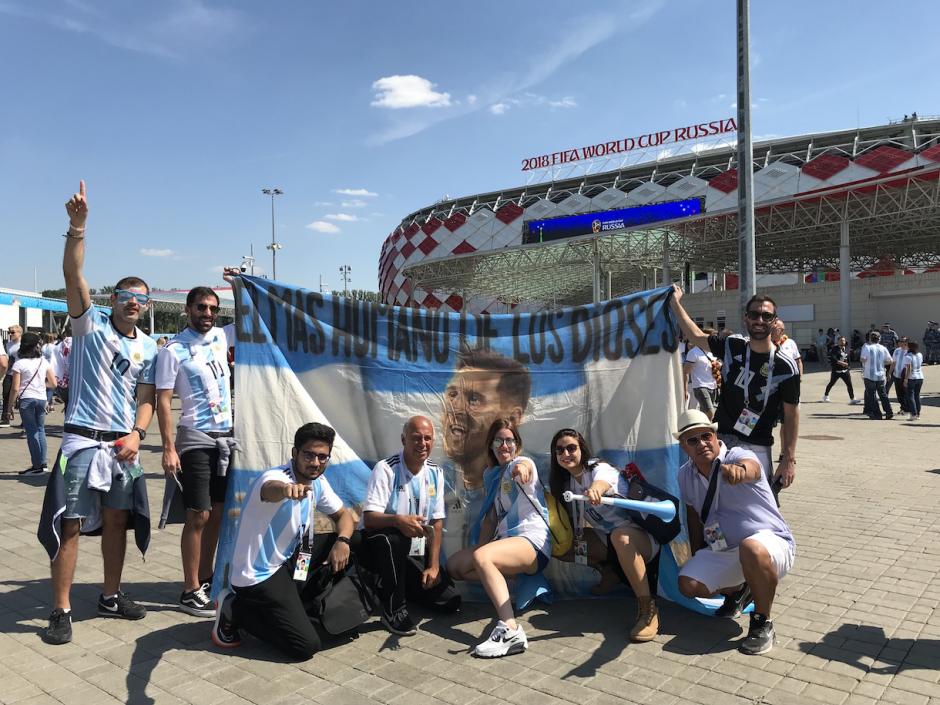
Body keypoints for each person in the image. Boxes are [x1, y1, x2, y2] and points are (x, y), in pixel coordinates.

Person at [37, 181, 158, 646]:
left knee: (117, 522)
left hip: (122, 444)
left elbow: (147, 397)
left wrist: (137, 433)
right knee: (69, 523)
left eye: (140, 296)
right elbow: (73, 275)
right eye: (126, 293)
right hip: (82, 440)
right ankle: (61, 608)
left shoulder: (149, 347)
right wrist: (78, 227)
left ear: (147, 306)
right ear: (113, 298)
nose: (133, 300)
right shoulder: (88, 325)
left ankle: (110, 595)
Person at [212, 423, 356, 658]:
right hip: (259, 575)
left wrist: (343, 541)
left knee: (354, 539)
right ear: (294, 453)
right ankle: (235, 609)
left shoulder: (318, 481)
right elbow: (270, 489)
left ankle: (298, 601)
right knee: (306, 647)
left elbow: (344, 517)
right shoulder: (274, 478)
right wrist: (286, 490)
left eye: (322, 457)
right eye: (309, 454)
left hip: (294, 557)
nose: (316, 462)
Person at [674, 409, 795, 656]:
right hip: (725, 547)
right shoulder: (684, 475)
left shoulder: (738, 455)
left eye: (705, 435)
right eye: (692, 440)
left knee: (751, 548)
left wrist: (739, 471)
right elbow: (694, 518)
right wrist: (698, 554)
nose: (701, 444)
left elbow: (751, 468)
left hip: (769, 543)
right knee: (688, 584)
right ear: (683, 446)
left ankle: (763, 623)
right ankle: (741, 588)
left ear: (715, 434)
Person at [669, 286, 800, 494]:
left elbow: (791, 416)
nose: (759, 320)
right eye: (754, 315)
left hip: (757, 445)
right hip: (723, 440)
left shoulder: (785, 367)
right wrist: (675, 303)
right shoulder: (733, 345)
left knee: (761, 506)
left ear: (774, 321)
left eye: (766, 316)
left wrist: (788, 459)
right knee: (714, 500)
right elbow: (696, 336)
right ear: (746, 318)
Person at [156, 284, 237, 617]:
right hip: (195, 436)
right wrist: (168, 447)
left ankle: (207, 579)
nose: (207, 314)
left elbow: (251, 317)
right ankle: (189, 590)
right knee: (198, 514)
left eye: (213, 309)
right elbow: (162, 399)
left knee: (218, 513)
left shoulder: (220, 336)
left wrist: (239, 286)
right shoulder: (172, 350)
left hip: (226, 437)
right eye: (201, 307)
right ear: (187, 310)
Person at [447, 419, 551, 658]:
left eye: (509, 440)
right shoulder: (492, 476)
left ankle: (511, 629)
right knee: (455, 567)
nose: (504, 445)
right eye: (498, 440)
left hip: (533, 542)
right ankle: (508, 577)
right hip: (508, 544)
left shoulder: (522, 463)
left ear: (517, 444)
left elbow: (524, 469)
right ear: (491, 446)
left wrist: (520, 470)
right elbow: (491, 519)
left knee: (482, 557)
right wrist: (482, 555)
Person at [548, 429, 659, 642]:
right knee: (560, 545)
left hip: (641, 539)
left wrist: (596, 490)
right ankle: (611, 571)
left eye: (571, 448)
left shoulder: (599, 468)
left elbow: (603, 482)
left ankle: (648, 609)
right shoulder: (568, 483)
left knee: (620, 537)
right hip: (610, 540)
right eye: (560, 449)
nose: (566, 453)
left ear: (582, 449)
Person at [358, 416, 460, 637]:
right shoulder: (385, 469)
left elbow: (436, 522)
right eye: (415, 438)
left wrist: (433, 566)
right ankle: (392, 608)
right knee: (397, 536)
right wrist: (397, 520)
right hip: (378, 547)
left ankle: (402, 586)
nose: (422, 443)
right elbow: (369, 520)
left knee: (449, 601)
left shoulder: (435, 472)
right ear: (403, 439)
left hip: (414, 551)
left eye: (427, 438)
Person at [439, 346, 532, 560]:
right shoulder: (436, 477)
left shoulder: (528, 475)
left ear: (514, 418)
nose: (456, 409)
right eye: (452, 394)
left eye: (474, 399)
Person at [6, 332, 57, 475]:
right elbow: (53, 383)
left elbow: (15, 388)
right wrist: (40, 385)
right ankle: (43, 463)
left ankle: (37, 466)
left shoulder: (19, 364)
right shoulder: (43, 362)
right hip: (41, 399)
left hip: (26, 400)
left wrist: (9, 409)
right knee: (40, 430)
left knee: (31, 431)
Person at [683, 329, 720, 421]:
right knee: (710, 413)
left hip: (713, 386)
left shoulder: (712, 353)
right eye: (714, 337)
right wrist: (685, 390)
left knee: (705, 415)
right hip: (700, 386)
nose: (716, 339)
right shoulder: (693, 352)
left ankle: (703, 432)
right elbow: (685, 372)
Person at [860, 331, 893, 420]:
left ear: (870, 338)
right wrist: (881, 362)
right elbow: (890, 360)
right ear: (879, 339)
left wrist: (868, 361)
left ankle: (877, 414)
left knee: (872, 395)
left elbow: (863, 359)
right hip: (881, 375)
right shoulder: (883, 348)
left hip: (869, 375)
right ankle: (889, 412)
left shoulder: (867, 347)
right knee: (883, 394)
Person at [822, 336, 860, 404]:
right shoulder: (834, 349)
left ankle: (852, 399)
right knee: (831, 383)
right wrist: (840, 363)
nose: (843, 342)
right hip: (836, 371)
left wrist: (849, 366)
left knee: (849, 384)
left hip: (845, 371)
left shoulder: (847, 349)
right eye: (841, 340)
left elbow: (848, 359)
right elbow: (833, 358)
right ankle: (825, 396)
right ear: (838, 341)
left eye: (844, 340)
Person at [1, 324, 23, 426]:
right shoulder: (8, 344)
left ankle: (25, 420)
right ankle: (6, 417)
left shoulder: (24, 344)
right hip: (10, 373)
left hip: (21, 373)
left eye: (12, 332)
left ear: (19, 333)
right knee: (6, 394)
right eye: (9, 332)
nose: (10, 334)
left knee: (22, 396)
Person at [886, 338, 910, 413]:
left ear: (907, 342)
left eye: (903, 341)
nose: (901, 343)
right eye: (900, 341)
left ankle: (908, 409)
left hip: (905, 375)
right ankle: (903, 408)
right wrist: (889, 373)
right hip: (897, 375)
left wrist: (907, 377)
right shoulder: (897, 351)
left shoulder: (909, 351)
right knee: (899, 394)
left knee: (906, 393)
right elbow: (893, 363)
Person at [902, 341, 924, 421]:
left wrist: (905, 379)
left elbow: (909, 369)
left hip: (912, 377)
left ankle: (913, 414)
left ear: (909, 347)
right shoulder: (920, 355)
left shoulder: (908, 356)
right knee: (917, 395)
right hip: (920, 377)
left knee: (910, 396)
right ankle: (917, 413)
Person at [41, 333, 57, 412]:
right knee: (51, 388)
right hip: (52, 368)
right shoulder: (55, 347)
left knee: (46, 386)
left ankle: (51, 405)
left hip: (44, 367)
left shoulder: (43, 347)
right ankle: (47, 402)